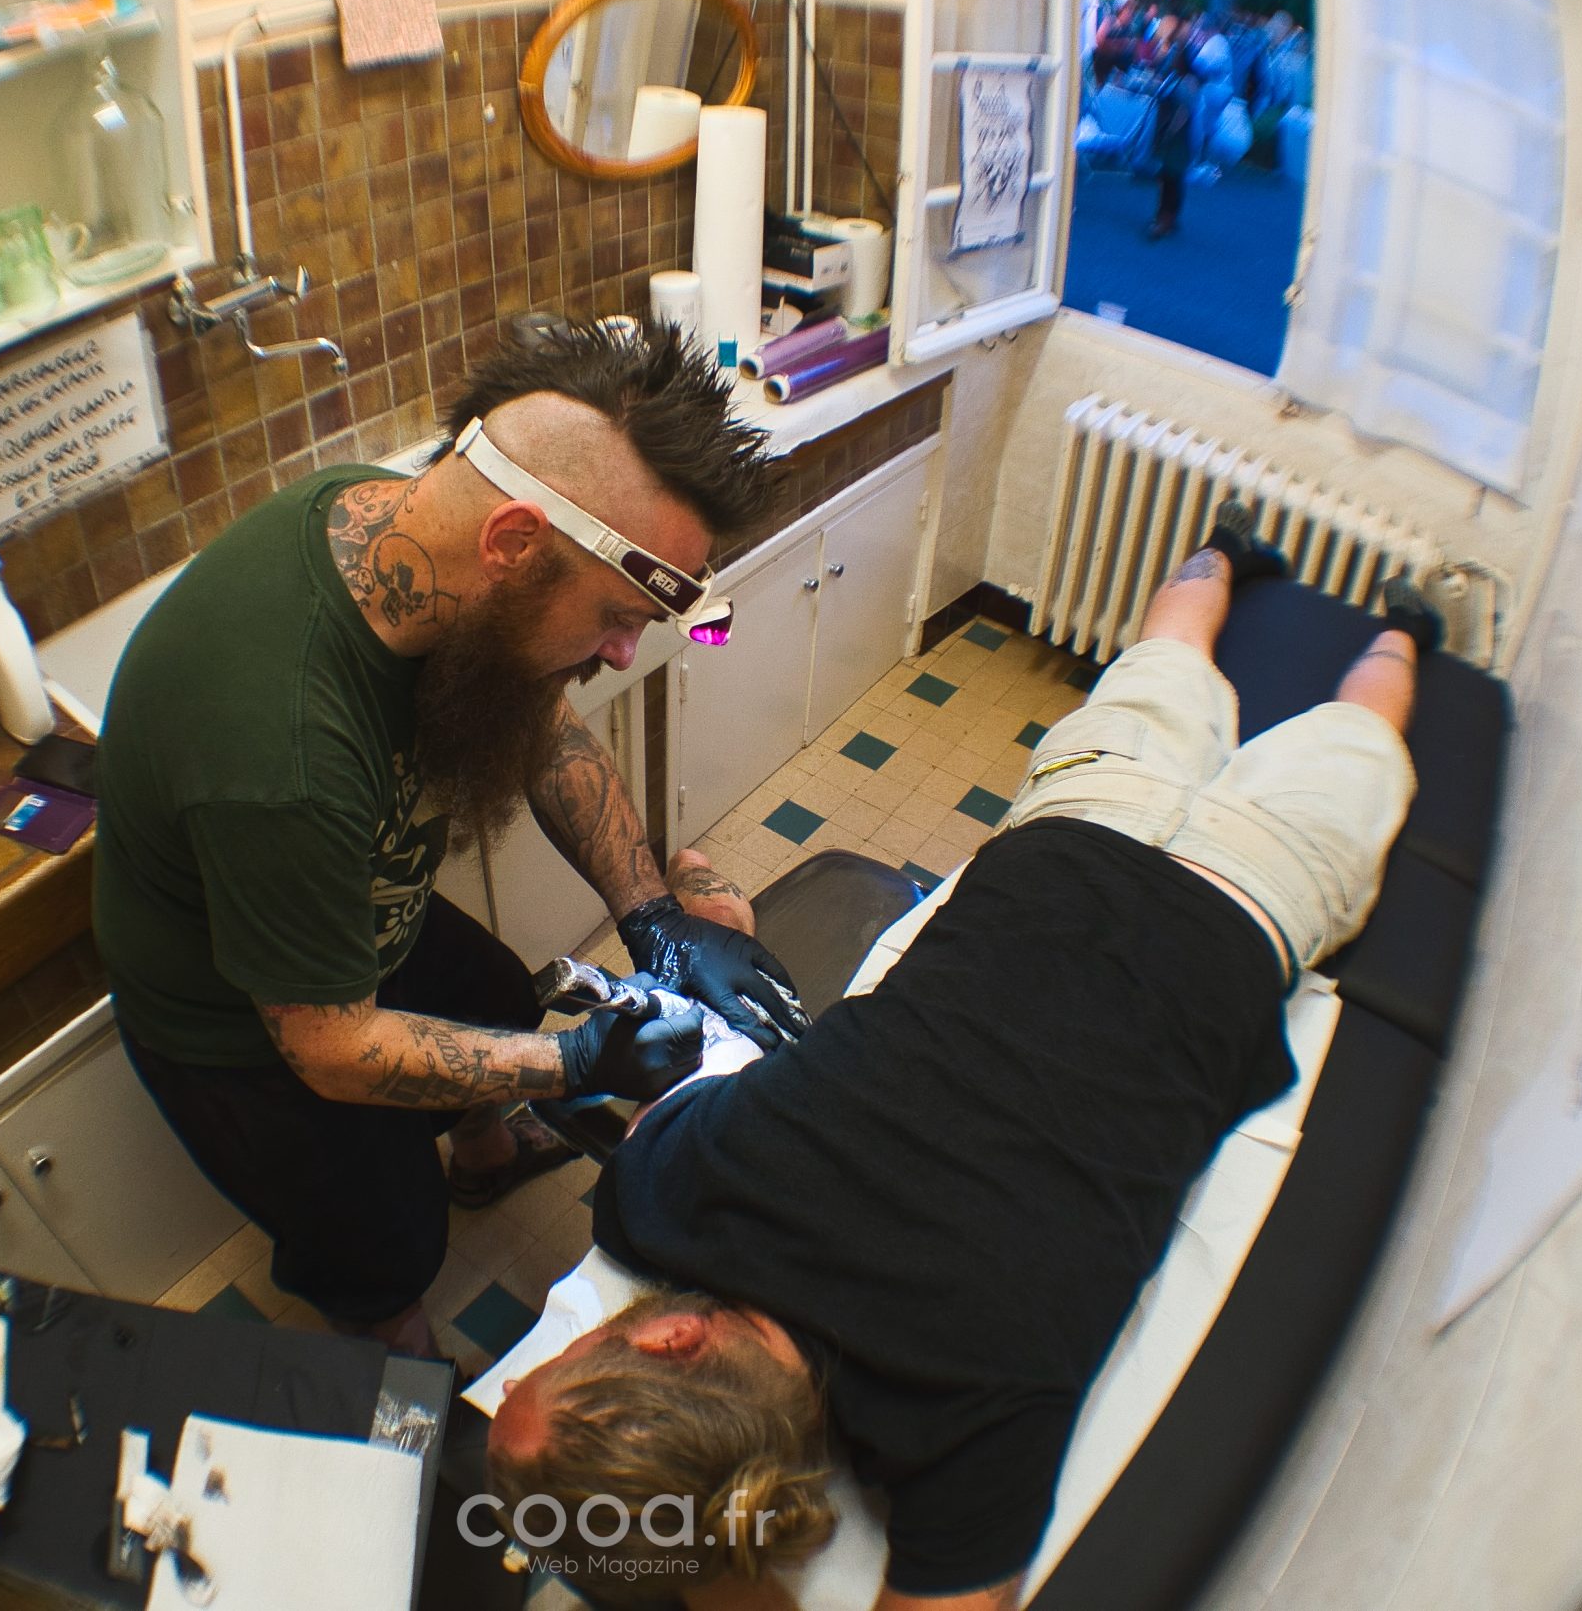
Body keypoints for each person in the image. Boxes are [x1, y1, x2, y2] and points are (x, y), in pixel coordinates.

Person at [486, 508, 1451, 1608]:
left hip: (1235, 911)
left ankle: (1404, 633)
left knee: (1358, 732)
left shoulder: (967, 1424)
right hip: (1076, 843)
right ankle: (1230, 552)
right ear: (666, 1338)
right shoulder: (674, 1194)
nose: (538, 1365)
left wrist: (705, 1557)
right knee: (1171, 652)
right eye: (558, 1368)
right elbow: (664, 1117)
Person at [92, 322, 810, 1359]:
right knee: (383, 1238)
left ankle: (484, 1157)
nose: (623, 653)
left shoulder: (419, 532)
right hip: (241, 1026)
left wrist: (651, 914)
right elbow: (331, 1048)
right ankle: (407, 1380)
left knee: (494, 994)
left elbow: (542, 723)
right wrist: (571, 1062)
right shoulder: (281, 755)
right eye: (617, 614)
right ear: (513, 543)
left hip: (355, 910)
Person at [1147, 38, 1202, 238]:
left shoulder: (1187, 83)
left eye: (1175, 56)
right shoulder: (1177, 79)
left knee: (1172, 178)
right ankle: (1168, 216)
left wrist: (1170, 132)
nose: (1171, 59)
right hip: (1171, 137)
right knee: (1169, 178)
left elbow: (1184, 112)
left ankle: (1165, 219)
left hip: (1177, 140)